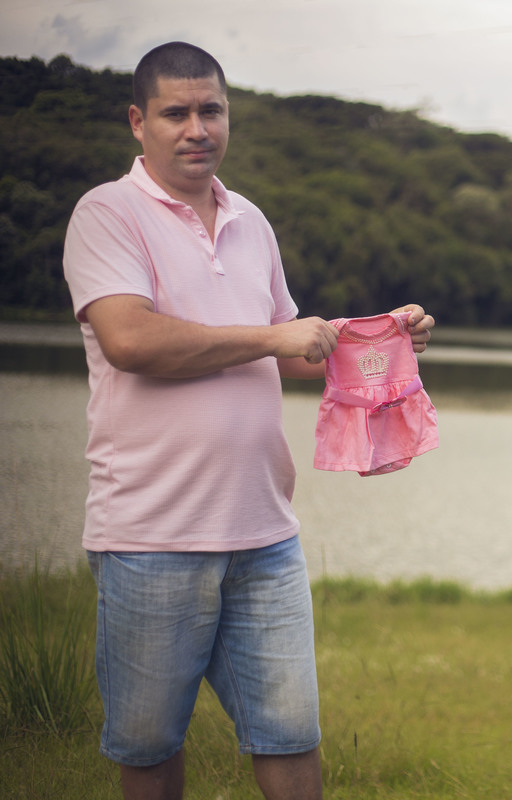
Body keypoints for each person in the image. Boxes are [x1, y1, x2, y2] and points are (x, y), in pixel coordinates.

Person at [61, 41, 433, 800]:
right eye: (176, 113)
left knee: (292, 737)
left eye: (211, 110)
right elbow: (131, 341)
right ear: (139, 121)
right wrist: (273, 337)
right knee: (151, 749)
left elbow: (296, 352)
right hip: (151, 537)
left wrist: (383, 336)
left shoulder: (251, 220)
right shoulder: (106, 213)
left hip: (265, 536)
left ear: (228, 116)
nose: (197, 128)